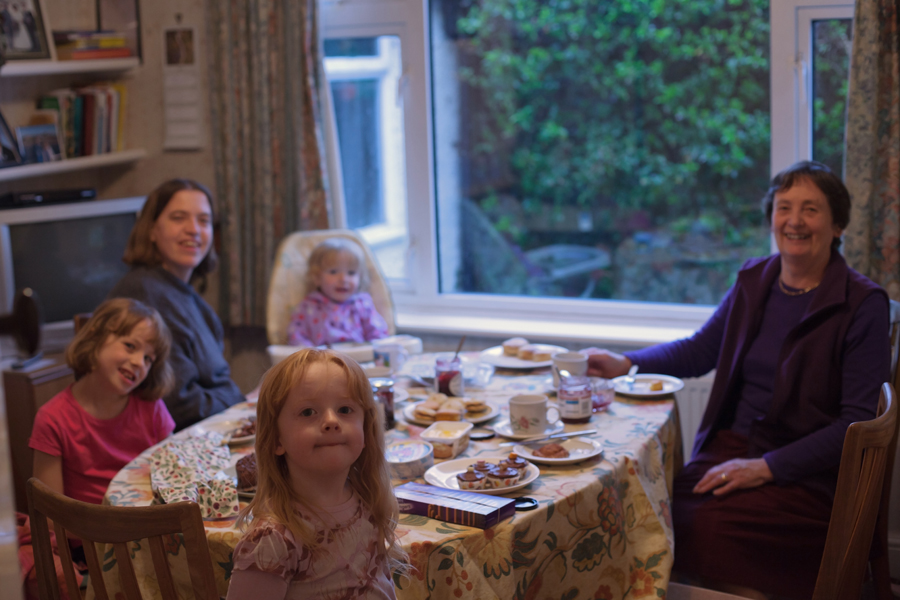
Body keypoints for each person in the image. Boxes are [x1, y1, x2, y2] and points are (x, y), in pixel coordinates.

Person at [585, 161, 890, 599]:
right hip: (731, 454)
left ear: (837, 223)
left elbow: (856, 424)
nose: (795, 221)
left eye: (811, 209)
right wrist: (626, 362)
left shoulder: (862, 304)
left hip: (808, 474)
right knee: (650, 514)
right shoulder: (755, 280)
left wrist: (766, 468)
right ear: (772, 219)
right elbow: (699, 349)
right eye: (784, 207)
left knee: (706, 530)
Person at [226, 348, 406, 599]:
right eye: (308, 412)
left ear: (365, 430)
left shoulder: (367, 498)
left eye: (345, 409)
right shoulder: (273, 540)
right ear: (276, 439)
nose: (331, 421)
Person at [108, 179, 245, 431]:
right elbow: (180, 404)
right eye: (178, 218)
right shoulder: (143, 294)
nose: (193, 229)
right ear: (151, 229)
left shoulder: (185, 294)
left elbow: (217, 381)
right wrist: (242, 402)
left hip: (212, 427)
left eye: (203, 221)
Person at [30, 298, 175, 506]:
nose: (138, 362)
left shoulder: (152, 408)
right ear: (95, 337)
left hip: (148, 529)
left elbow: (175, 475)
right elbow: (50, 516)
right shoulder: (53, 419)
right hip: (86, 535)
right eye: (130, 346)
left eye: (148, 359)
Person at [286, 238, 389, 347]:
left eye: (351, 273)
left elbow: (379, 334)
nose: (343, 279)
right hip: (323, 360)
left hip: (358, 360)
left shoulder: (362, 304)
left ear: (360, 277)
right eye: (333, 272)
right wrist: (310, 353)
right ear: (316, 277)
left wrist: (374, 348)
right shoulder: (308, 306)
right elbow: (295, 336)